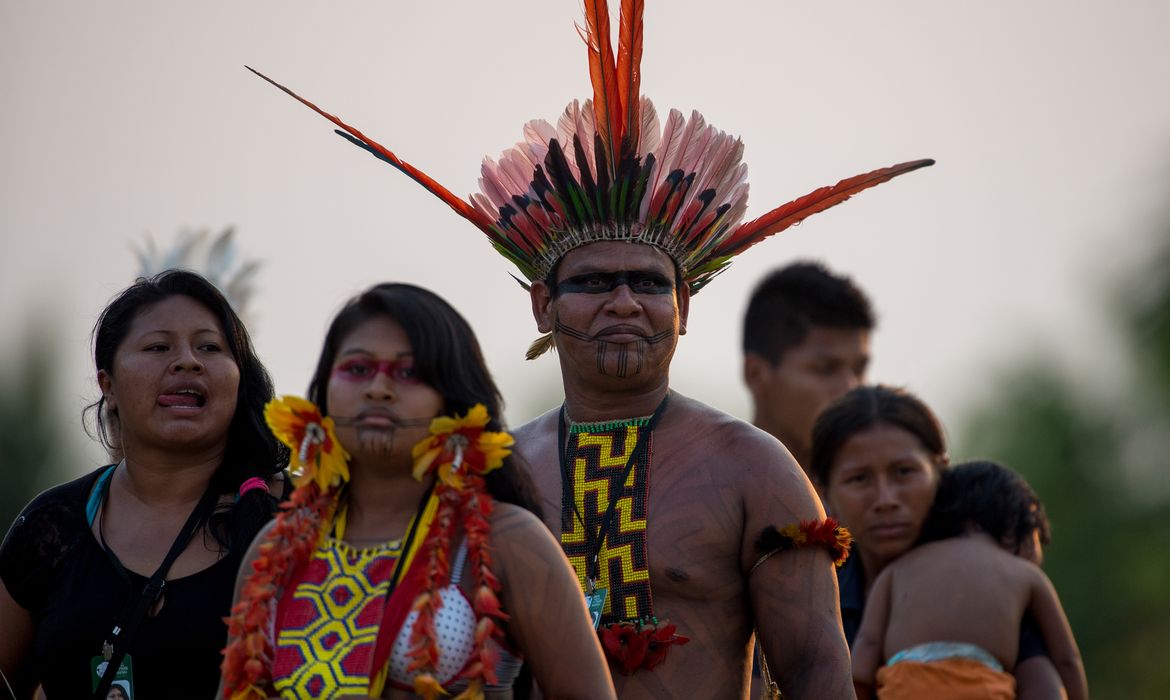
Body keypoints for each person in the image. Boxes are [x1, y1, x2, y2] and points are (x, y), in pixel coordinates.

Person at [247, 2, 932, 695]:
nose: (625, 303)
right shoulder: (493, 476)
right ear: (542, 304)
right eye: (595, 282)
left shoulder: (755, 467)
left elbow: (817, 670)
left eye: (648, 283)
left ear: (684, 306)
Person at [219, 283, 614, 700]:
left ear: (452, 399)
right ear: (324, 394)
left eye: (409, 373)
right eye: (357, 369)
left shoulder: (508, 540)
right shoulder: (278, 547)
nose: (378, 388)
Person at [0, 270, 286, 699]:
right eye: (158, 347)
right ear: (107, 385)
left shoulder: (298, 518)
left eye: (209, 347)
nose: (187, 361)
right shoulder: (50, 527)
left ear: (239, 377)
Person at [811, 385, 1069, 699]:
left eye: (904, 472)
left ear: (940, 473)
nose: (886, 499)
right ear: (825, 493)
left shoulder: (987, 587)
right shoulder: (808, 597)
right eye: (859, 479)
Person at [850, 460, 1088, 700]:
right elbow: (1067, 659)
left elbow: (866, 647)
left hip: (903, 685)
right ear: (1020, 522)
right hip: (977, 686)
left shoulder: (896, 570)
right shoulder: (1026, 574)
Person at [742, 261, 875, 474]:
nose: (851, 389)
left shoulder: (889, 501)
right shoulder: (702, 496)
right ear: (756, 374)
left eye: (859, 369)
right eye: (825, 369)